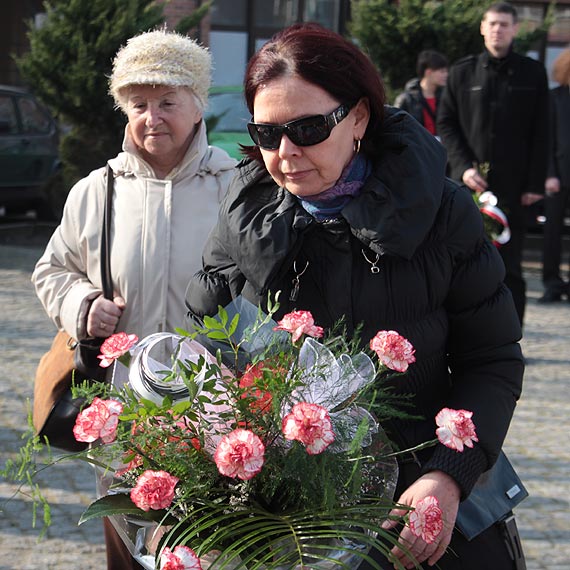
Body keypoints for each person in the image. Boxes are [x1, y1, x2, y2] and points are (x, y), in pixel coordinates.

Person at [185, 22, 525, 570]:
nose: (287, 153)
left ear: (359, 117)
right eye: (268, 134)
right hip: (291, 509)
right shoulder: (244, 212)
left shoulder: (441, 212)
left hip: (418, 496)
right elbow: (214, 333)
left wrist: (447, 474)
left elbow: (492, 358)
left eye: (310, 128)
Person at [31, 29, 236, 570]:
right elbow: (52, 268)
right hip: (123, 412)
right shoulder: (97, 191)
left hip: (216, 410)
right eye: (139, 104)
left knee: (215, 548)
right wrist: (81, 306)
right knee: (128, 552)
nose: (153, 117)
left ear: (198, 106)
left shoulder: (235, 188)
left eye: (168, 102)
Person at [437, 1, 549, 326]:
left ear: (515, 29)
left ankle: (511, 337)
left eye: (504, 24)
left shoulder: (532, 72)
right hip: (468, 188)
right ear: (483, 28)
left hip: (514, 187)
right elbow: (447, 124)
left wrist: (534, 185)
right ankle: (464, 332)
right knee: (463, 263)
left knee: (511, 267)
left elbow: (543, 131)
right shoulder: (462, 72)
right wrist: (463, 167)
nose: (498, 29)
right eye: (493, 24)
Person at [539, 48, 570, 303]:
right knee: (552, 232)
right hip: (557, 176)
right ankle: (551, 282)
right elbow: (545, 138)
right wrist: (549, 173)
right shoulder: (554, 98)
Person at [394, 49, 448, 137]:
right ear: (428, 72)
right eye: (442, 71)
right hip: (417, 148)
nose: (446, 75)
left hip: (442, 148)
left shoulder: (446, 97)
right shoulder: (406, 99)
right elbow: (395, 129)